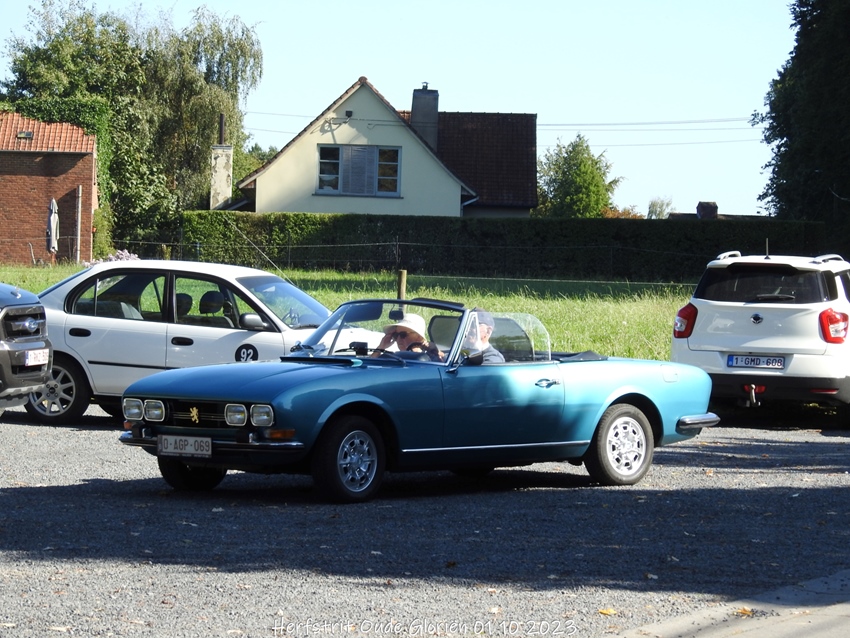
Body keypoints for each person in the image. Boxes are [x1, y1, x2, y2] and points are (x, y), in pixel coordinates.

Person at [373, 313, 443, 360]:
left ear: (418, 336)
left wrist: (434, 351)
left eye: (403, 334)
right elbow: (369, 368)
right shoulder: (393, 357)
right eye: (395, 335)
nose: (398, 339)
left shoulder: (430, 357)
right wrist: (381, 347)